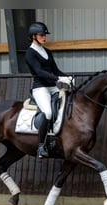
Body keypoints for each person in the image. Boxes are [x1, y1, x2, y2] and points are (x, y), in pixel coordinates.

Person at [25, 22, 73, 158]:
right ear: (33, 36)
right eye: (41, 35)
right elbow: (39, 72)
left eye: (44, 35)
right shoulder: (30, 54)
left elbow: (55, 70)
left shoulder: (47, 52)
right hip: (40, 88)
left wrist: (67, 77)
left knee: (65, 107)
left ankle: (57, 139)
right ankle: (41, 146)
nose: (44, 37)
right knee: (47, 112)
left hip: (52, 87)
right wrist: (59, 79)